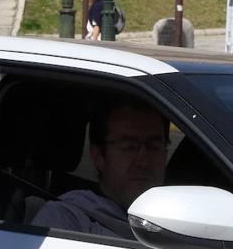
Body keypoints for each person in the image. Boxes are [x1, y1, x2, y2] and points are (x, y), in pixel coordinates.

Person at [33, 100, 168, 236]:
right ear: (98, 155)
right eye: (129, 147)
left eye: (154, 147)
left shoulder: (182, 221)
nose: (143, 162)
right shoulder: (68, 218)